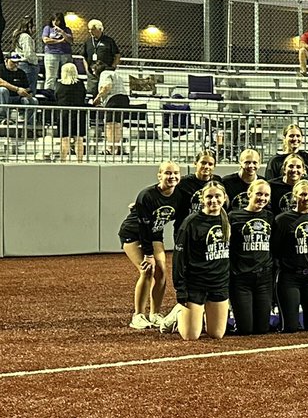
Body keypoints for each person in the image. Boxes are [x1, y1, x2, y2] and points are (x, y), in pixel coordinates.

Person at [118, 160, 183, 331]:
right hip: (133, 234)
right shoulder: (147, 195)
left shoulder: (179, 195)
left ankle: (155, 314)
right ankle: (138, 315)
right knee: (147, 269)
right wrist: (148, 254)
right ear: (159, 175)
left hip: (154, 235)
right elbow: (144, 226)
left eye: (175, 173)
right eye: (168, 173)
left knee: (161, 271)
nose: (172, 176)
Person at [172, 182, 231, 342]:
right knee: (191, 336)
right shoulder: (191, 223)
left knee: (216, 334)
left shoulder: (228, 219)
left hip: (219, 283)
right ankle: (177, 315)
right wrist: (181, 289)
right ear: (202, 199)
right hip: (196, 283)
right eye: (209, 197)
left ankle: (197, 315)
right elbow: (179, 258)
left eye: (217, 196)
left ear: (224, 198)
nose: (213, 200)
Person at [272, 179, 308, 333]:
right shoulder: (282, 220)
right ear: (295, 196)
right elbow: (275, 249)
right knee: (290, 328)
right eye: (302, 194)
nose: (307, 198)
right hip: (290, 278)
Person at [227, 178, 275, 335]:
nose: (262, 198)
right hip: (241, 278)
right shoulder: (233, 217)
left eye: (266, 195)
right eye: (259, 194)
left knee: (262, 329)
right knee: (245, 330)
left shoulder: (270, 217)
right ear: (249, 194)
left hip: (264, 279)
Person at [92, 59, 129, 154]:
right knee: (117, 125)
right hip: (123, 99)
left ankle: (110, 148)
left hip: (114, 100)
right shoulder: (114, 74)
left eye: (93, 70)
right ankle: (117, 147)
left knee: (110, 125)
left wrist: (98, 98)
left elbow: (107, 87)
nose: (92, 72)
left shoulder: (104, 74)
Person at [54, 62, 87, 161]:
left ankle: (63, 160)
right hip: (78, 113)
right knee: (79, 139)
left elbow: (56, 97)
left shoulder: (59, 85)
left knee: (65, 139)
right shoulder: (80, 84)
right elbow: (83, 96)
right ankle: (80, 160)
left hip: (64, 114)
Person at [82, 19, 121, 96]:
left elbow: (117, 55)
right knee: (91, 93)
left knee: (104, 92)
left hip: (105, 72)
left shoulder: (109, 41)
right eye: (89, 30)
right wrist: (87, 69)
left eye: (93, 29)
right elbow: (84, 57)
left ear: (100, 29)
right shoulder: (88, 42)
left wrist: (113, 66)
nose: (90, 31)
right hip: (92, 73)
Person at [0, 52, 37, 127]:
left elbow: (27, 87)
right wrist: (17, 89)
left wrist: (27, 93)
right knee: (2, 90)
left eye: (17, 62)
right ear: (6, 60)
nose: (16, 65)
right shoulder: (1, 69)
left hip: (17, 98)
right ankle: (2, 118)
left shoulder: (21, 72)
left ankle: (28, 124)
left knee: (34, 100)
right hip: (4, 98)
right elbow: (1, 82)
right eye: (13, 62)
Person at [41, 12, 74, 95]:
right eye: (53, 20)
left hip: (65, 54)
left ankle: (65, 93)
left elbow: (70, 40)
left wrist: (62, 32)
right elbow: (46, 40)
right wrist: (60, 41)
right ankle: (48, 94)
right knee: (51, 76)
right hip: (51, 54)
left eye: (57, 20)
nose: (55, 22)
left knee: (66, 74)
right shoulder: (47, 28)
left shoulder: (66, 30)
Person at [12, 15, 39, 91]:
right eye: (33, 26)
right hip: (28, 65)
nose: (35, 28)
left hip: (21, 64)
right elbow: (28, 54)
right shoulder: (26, 37)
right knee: (30, 89)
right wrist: (35, 62)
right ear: (29, 26)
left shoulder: (17, 34)